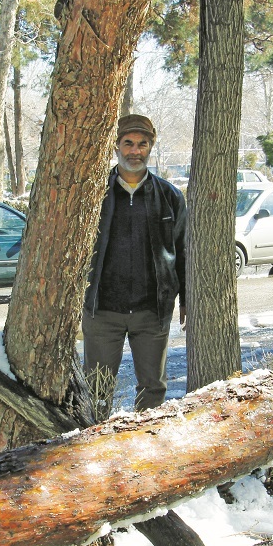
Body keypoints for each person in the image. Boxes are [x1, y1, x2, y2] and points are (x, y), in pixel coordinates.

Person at [83, 113, 187, 411]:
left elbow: (184, 250)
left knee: (153, 388)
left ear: (150, 147)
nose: (135, 150)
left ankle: (146, 449)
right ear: (116, 147)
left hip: (151, 311)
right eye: (128, 143)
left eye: (142, 144)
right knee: (97, 390)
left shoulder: (169, 196)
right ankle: (96, 449)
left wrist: (186, 300)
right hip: (102, 311)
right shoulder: (96, 194)